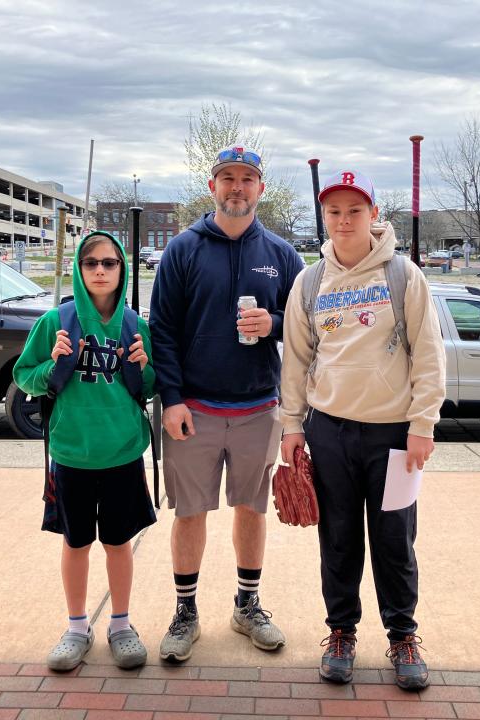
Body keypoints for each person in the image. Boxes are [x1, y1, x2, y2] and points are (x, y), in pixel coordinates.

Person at [279, 170, 446, 689]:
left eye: (355, 210)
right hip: (329, 430)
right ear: (323, 217)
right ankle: (341, 633)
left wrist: (423, 423)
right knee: (340, 538)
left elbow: (428, 355)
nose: (344, 220)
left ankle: (402, 636)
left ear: (373, 215)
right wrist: (291, 427)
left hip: (394, 434)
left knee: (396, 539)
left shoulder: (402, 275)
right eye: (334, 211)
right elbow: (296, 362)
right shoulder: (309, 282)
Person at [149, 145, 305, 662]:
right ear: (211, 186)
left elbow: (307, 328)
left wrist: (274, 325)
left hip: (259, 406)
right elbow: (163, 332)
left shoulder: (282, 255)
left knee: (251, 508)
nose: (237, 187)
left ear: (261, 188)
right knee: (190, 512)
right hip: (195, 409)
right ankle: (186, 611)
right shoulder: (183, 250)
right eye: (227, 178)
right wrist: (170, 399)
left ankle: (247, 604)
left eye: (247, 179)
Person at [12, 231, 156, 672]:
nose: (99, 270)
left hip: (123, 453)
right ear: (78, 266)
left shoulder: (135, 325)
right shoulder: (55, 321)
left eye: (109, 263)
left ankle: (121, 625)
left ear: (122, 269)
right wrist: (51, 364)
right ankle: (77, 627)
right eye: (90, 262)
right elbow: (24, 377)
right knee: (76, 544)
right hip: (72, 454)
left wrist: (144, 368)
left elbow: (148, 390)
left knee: (118, 542)